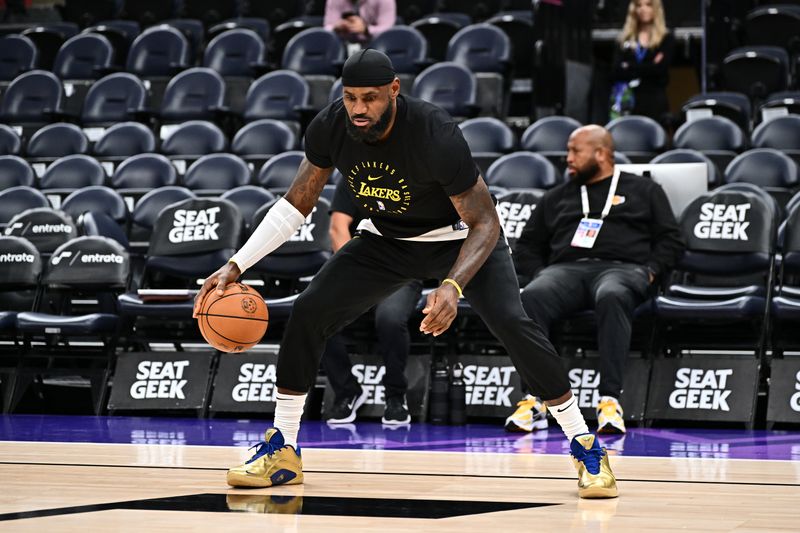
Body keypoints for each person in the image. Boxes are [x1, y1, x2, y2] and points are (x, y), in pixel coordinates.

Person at [194, 49, 618, 499]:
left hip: (459, 240)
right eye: (351, 97)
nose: (359, 109)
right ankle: (283, 449)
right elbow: (297, 201)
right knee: (308, 311)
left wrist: (452, 286)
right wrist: (239, 262)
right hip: (386, 242)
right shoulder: (331, 126)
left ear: (394, 91)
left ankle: (585, 443)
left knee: (514, 323)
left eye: (371, 98)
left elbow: (485, 222)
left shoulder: (434, 133)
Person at [509, 124, 684, 435]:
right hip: (566, 271)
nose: (568, 158)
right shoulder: (557, 196)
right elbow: (526, 245)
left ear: (601, 154)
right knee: (532, 295)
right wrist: (541, 274)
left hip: (622, 269)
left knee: (612, 294)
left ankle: (609, 401)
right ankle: (535, 399)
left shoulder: (644, 190)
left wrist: (651, 271)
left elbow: (671, 239)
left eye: (576, 151)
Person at [323, 179, 423, 426]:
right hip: (360, 270)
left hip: (403, 272)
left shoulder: (416, 176)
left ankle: (395, 397)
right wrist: (356, 272)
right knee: (319, 315)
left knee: (389, 319)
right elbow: (338, 228)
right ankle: (347, 391)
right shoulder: (353, 175)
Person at [610, 0, 674, 124]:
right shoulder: (624, 39)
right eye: (639, 5)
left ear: (656, 8)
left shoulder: (665, 38)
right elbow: (615, 71)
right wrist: (650, 66)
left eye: (648, 4)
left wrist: (629, 66)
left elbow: (660, 71)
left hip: (654, 101)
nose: (643, 9)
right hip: (626, 100)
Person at [324, 0, 396, 44]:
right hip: (343, 44)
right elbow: (327, 28)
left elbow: (388, 29)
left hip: (376, 45)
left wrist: (366, 29)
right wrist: (336, 27)